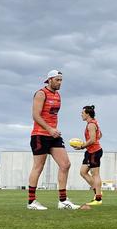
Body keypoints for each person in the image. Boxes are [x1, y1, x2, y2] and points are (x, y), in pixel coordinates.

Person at [27, 70, 79, 210]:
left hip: (53, 135)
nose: (60, 83)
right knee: (38, 167)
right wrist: (49, 129)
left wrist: (53, 131)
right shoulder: (41, 93)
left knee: (65, 164)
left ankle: (62, 201)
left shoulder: (58, 95)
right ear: (49, 80)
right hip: (40, 135)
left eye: (61, 80)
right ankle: (31, 202)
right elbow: (35, 115)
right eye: (57, 80)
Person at [75, 105, 104, 206]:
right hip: (90, 152)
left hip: (94, 151)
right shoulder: (93, 123)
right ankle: (98, 190)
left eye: (82, 113)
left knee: (95, 174)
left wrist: (82, 146)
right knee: (83, 172)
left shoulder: (91, 125)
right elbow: (100, 135)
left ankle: (98, 198)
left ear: (87, 114)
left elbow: (92, 140)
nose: (81, 114)